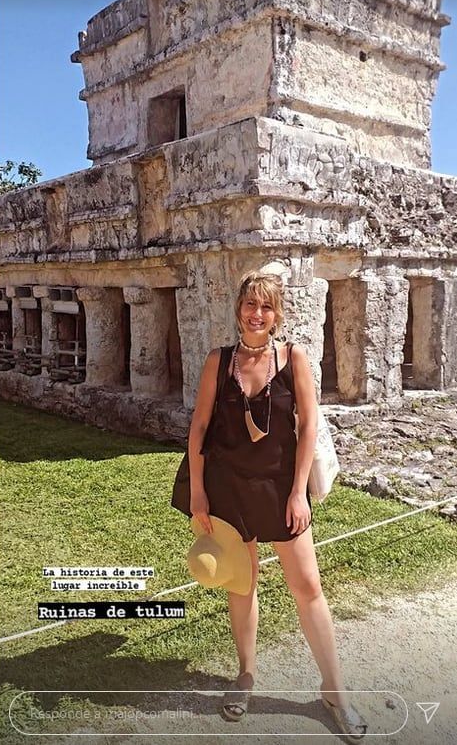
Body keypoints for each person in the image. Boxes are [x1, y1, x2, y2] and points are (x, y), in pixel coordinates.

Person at [187, 269, 367, 742]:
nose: (257, 313)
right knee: (241, 583)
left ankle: (334, 691)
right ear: (239, 308)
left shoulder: (292, 358)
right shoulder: (218, 361)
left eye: (266, 306)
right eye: (251, 304)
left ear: (277, 313)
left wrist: (297, 492)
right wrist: (198, 491)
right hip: (228, 488)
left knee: (307, 586)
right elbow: (199, 428)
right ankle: (246, 675)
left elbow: (308, 427)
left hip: (280, 488)